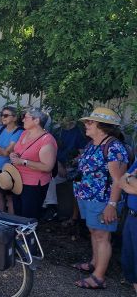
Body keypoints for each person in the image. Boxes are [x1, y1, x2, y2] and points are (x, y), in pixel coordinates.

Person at [70, 107, 127, 289]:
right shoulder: (94, 143)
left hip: (103, 200)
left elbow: (119, 181)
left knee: (102, 236)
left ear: (103, 126)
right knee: (95, 231)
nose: (86, 125)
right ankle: (95, 263)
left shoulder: (114, 147)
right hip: (88, 197)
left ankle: (99, 277)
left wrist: (111, 205)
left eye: (90, 122)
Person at [9, 107, 57, 219]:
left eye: (26, 117)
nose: (23, 120)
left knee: (28, 217)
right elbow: (17, 151)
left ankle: (27, 236)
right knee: (18, 214)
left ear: (37, 120)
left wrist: (23, 162)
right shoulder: (24, 133)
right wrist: (13, 155)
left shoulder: (46, 140)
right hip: (18, 180)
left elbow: (48, 167)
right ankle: (19, 236)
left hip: (33, 185)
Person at [0, 106, 23, 212]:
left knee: (9, 197)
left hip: (8, 170)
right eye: (2, 115)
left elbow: (7, 152)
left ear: (15, 118)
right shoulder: (0, 128)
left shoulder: (18, 132)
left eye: (6, 115)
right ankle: (0, 218)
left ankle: (10, 221)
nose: (3, 117)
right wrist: (0, 150)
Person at [119, 160, 137, 294]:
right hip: (131, 216)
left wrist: (129, 178)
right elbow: (121, 182)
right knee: (129, 257)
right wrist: (131, 180)